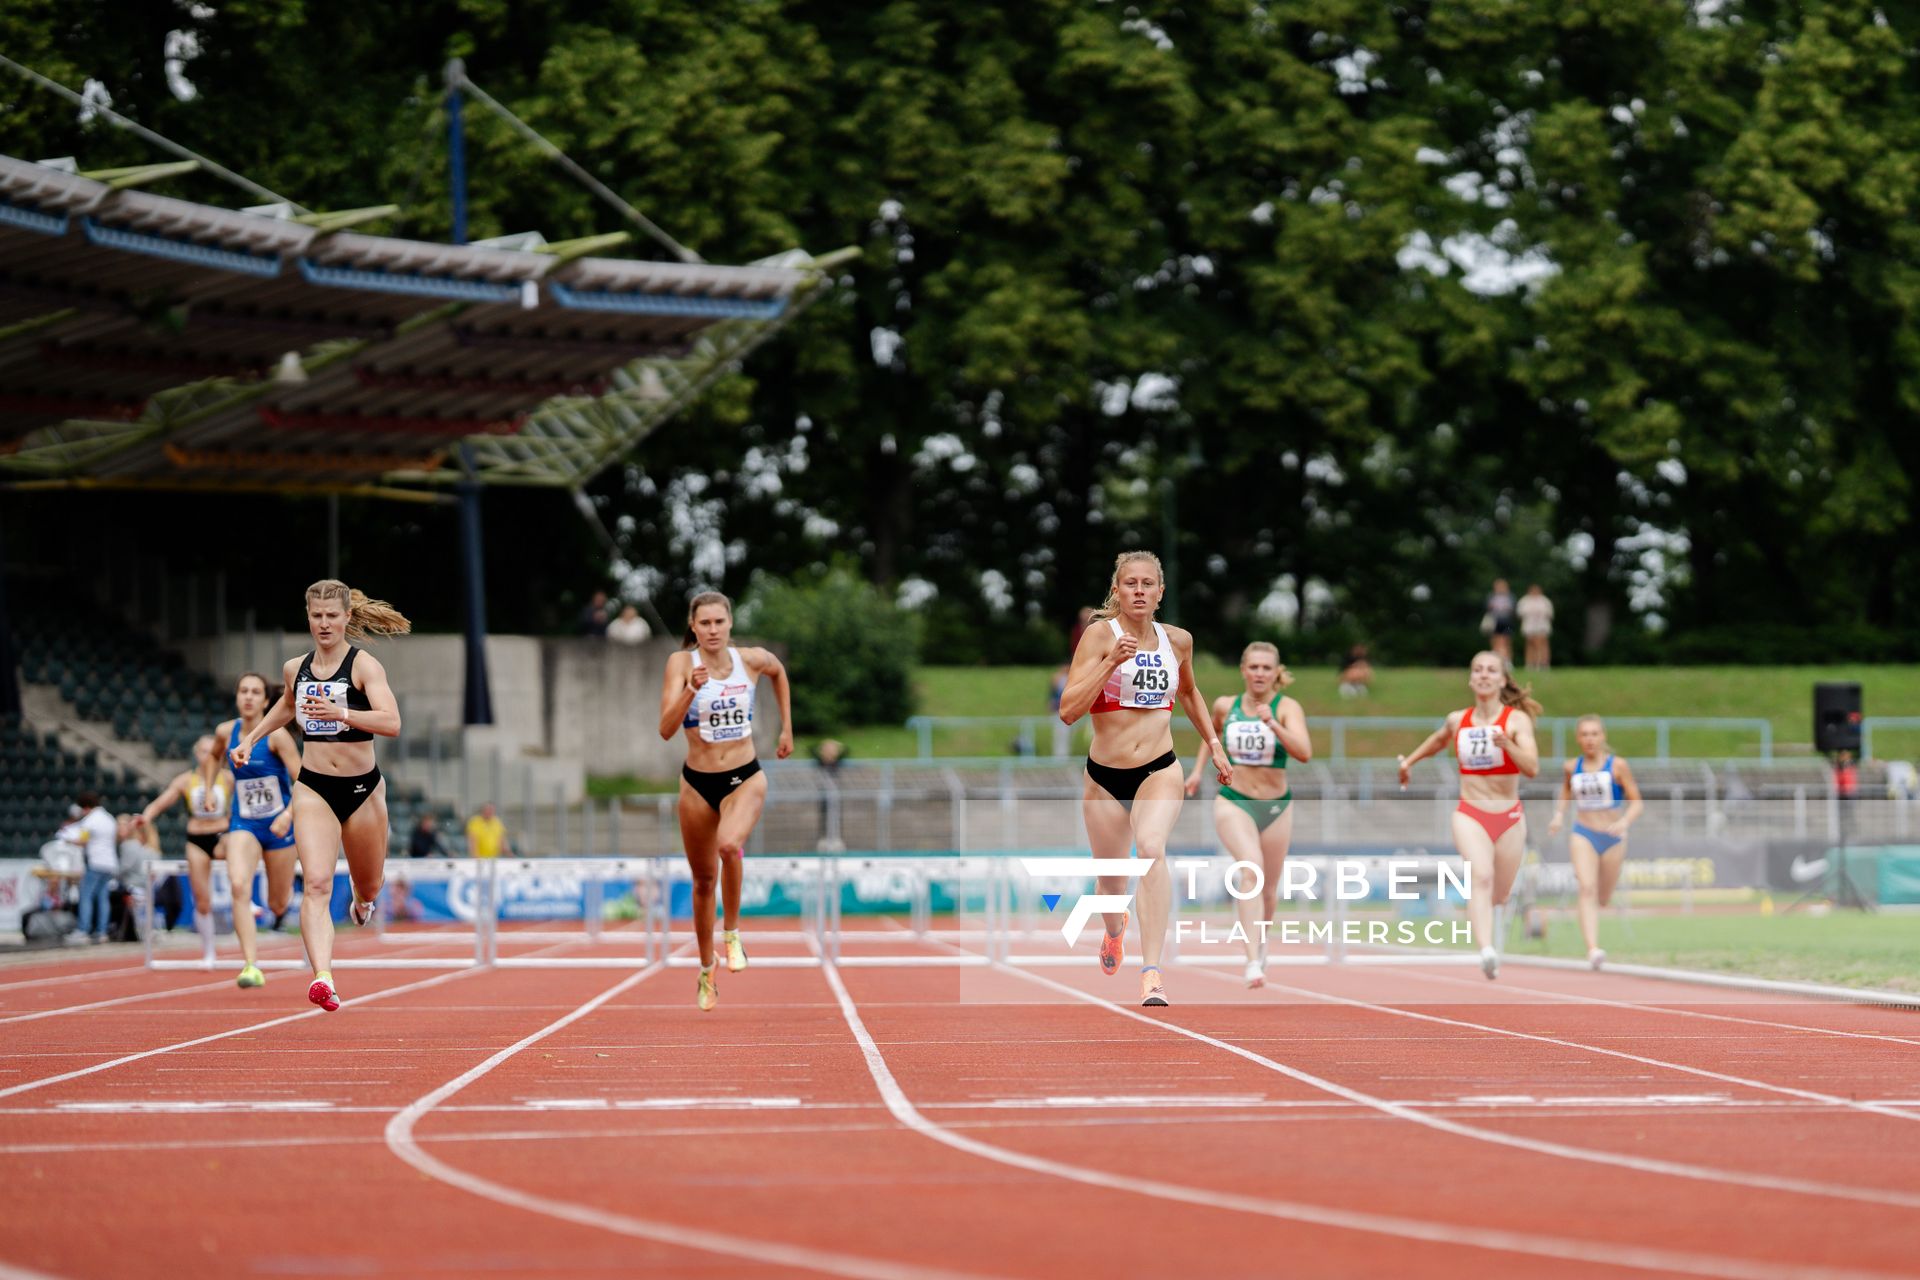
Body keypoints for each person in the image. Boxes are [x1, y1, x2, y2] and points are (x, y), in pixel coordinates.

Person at [1059, 551, 1232, 1007]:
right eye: (1129, 583)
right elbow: (1068, 711)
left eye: (1147, 584)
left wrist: (1213, 743)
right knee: (1113, 885)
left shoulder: (1178, 641)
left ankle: (1152, 971)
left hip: (1159, 769)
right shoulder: (1100, 636)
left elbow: (1191, 693)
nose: (1138, 590)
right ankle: (1115, 932)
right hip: (1104, 778)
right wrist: (1110, 662)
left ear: (1160, 592)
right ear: (1116, 591)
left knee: (1152, 850)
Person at [233, 579, 408, 1012]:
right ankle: (323, 978)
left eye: (332, 616)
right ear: (308, 617)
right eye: (317, 616)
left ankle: (363, 897)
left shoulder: (365, 666)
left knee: (369, 881)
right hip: (313, 787)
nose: (324, 624)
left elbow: (391, 722)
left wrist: (342, 713)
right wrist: (252, 738)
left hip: (362, 789)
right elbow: (288, 705)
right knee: (315, 883)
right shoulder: (297, 668)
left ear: (347, 617)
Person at [656, 590, 793, 1011]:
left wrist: (787, 728)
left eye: (719, 622)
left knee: (729, 846)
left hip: (744, 777)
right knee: (702, 881)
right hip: (697, 782)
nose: (712, 630)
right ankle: (705, 967)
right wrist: (690, 693)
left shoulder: (750, 660)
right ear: (692, 627)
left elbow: (778, 671)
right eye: (704, 623)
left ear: (729, 624)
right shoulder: (681, 664)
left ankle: (732, 934)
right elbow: (664, 729)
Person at [1395, 652, 1541, 979]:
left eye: (1491, 670)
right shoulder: (1457, 719)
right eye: (1478, 670)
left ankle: (1477, 914)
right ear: (1471, 679)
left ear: (1502, 680)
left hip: (1509, 815)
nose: (1484, 675)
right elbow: (1437, 741)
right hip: (1470, 812)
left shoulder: (1516, 721)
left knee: (1500, 894)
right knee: (1481, 877)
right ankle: (1486, 950)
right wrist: (1409, 763)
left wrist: (1507, 745)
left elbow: (1531, 768)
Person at [1186, 642, 1310, 987]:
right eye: (1253, 667)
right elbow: (1209, 735)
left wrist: (1274, 725)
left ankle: (1261, 944)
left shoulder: (1287, 708)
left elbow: (1304, 753)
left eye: (1266, 668)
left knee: (1269, 889)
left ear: (1276, 673)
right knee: (1250, 871)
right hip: (1234, 800)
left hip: (1276, 805)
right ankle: (1251, 960)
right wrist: (1197, 770)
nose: (1259, 673)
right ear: (1243, 670)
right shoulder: (1227, 706)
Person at [211, 673, 304, 987]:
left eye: (255, 692)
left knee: (278, 903)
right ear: (237, 696)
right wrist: (212, 789)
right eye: (243, 691)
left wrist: (289, 815)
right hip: (244, 823)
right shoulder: (226, 732)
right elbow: (213, 757)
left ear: (266, 701)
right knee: (238, 885)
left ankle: (276, 911)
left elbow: (304, 780)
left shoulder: (277, 737)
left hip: (279, 827)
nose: (248, 697)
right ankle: (250, 965)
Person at [1546, 716, 1643, 970]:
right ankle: (1593, 949)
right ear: (1578, 738)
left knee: (1602, 897)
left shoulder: (1617, 766)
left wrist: (1624, 822)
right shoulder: (1571, 767)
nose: (1590, 739)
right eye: (1585, 734)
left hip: (1612, 837)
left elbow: (1637, 801)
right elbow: (1566, 792)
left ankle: (1596, 923)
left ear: (1603, 737)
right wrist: (1558, 815)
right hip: (1583, 833)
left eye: (1594, 734)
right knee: (1586, 888)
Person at [137, 735, 237, 966]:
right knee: (202, 901)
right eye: (203, 751)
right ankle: (209, 952)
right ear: (195, 754)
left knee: (236, 843)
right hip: (196, 837)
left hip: (223, 835)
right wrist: (146, 817)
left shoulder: (228, 779)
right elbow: (161, 802)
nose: (207, 756)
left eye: (212, 751)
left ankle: (242, 892)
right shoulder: (185, 781)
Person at [57, 792, 118, 945]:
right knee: (103, 898)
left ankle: (83, 930)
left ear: (85, 807)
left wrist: (68, 839)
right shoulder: (109, 818)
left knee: (85, 896)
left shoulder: (90, 820)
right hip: (110, 862)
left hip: (96, 862)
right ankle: (102, 931)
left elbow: (82, 840)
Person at [1518, 584, 1554, 670]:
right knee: (1530, 645)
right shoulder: (1525, 601)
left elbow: (1550, 614)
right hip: (1529, 627)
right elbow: (1520, 614)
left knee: (1542, 645)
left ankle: (1543, 663)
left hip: (1542, 626)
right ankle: (1530, 664)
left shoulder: (1545, 601)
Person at [1482, 579, 1516, 664]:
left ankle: (1508, 661)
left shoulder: (1510, 597)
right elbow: (1488, 608)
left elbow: (1513, 609)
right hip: (1494, 622)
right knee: (1495, 641)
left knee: (1506, 641)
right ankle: (1496, 660)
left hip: (1507, 622)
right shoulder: (1491, 596)